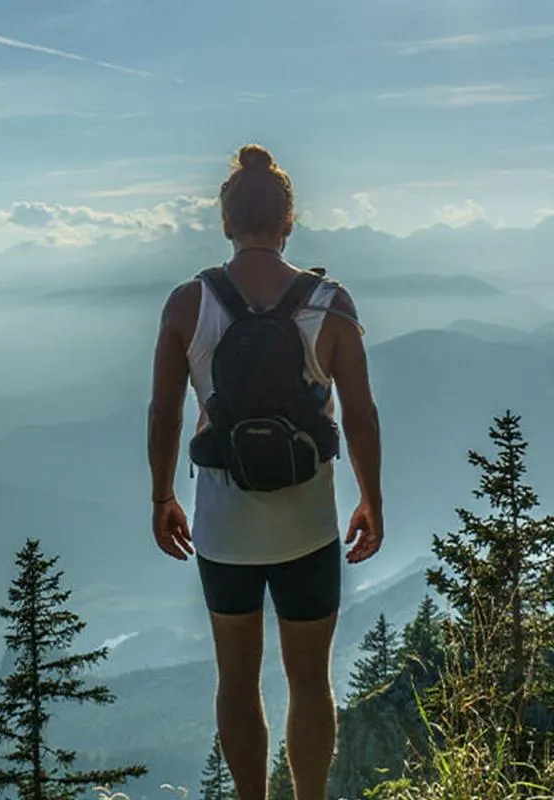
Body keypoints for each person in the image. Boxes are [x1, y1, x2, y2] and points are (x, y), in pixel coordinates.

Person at [146, 143, 383, 800]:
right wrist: (372, 499)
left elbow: (164, 414)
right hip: (308, 523)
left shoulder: (188, 304)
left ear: (226, 222)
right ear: (288, 222)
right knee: (310, 682)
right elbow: (361, 416)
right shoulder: (331, 303)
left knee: (236, 680)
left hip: (224, 528)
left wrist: (162, 495)